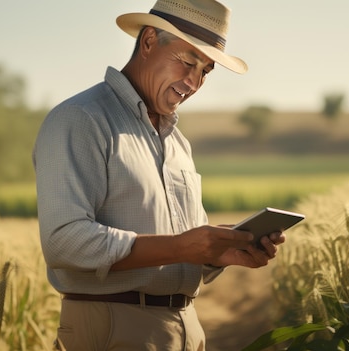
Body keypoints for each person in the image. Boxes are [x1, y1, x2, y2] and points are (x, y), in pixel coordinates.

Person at [32, 0, 285, 350]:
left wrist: (219, 251)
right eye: (187, 62)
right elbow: (64, 242)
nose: (194, 82)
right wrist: (181, 246)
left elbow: (182, 244)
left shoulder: (179, 144)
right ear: (149, 40)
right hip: (113, 328)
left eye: (206, 71)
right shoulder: (80, 119)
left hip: (186, 328)